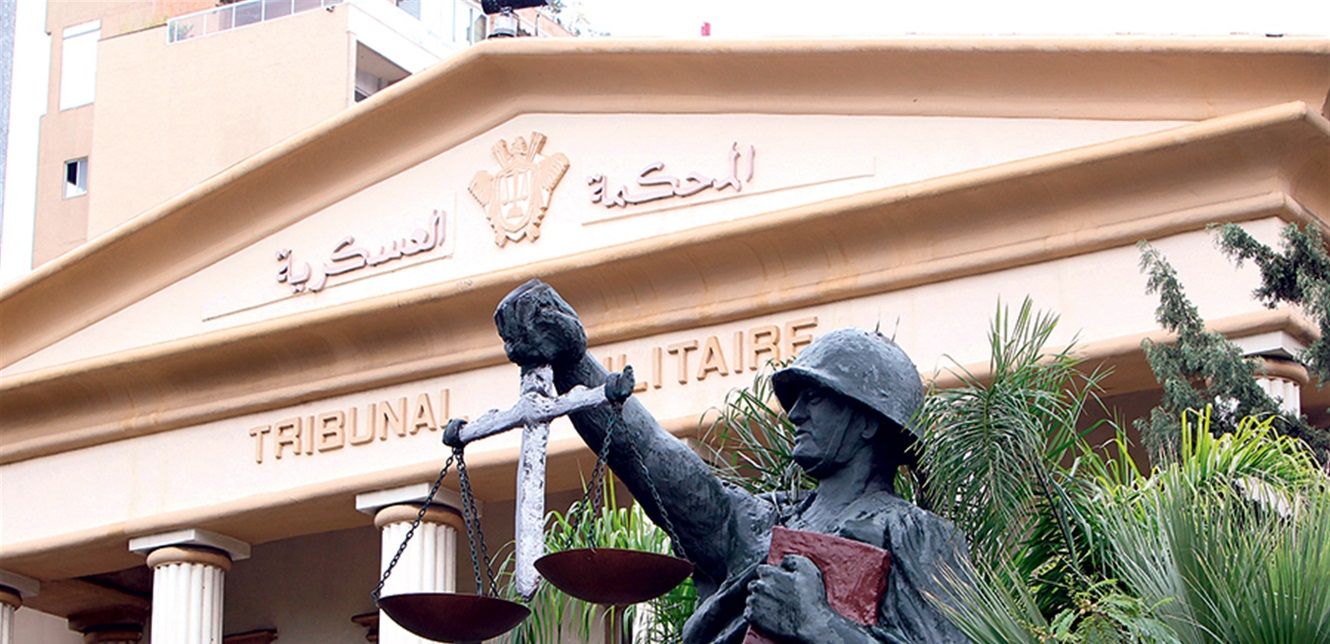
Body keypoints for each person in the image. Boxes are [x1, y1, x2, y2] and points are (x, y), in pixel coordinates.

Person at [493, 279, 971, 643]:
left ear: (867, 421)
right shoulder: (762, 521)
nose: (795, 413)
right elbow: (655, 456)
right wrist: (573, 362)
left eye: (815, 398)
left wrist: (819, 625)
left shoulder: (915, 534)